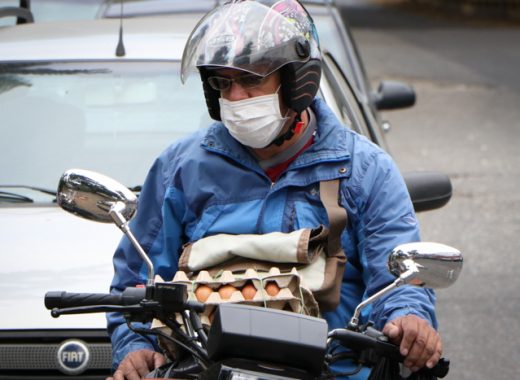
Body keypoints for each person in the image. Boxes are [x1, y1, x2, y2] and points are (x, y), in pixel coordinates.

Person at [107, 1, 442, 379]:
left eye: (252, 79)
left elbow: (399, 279)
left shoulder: (364, 169)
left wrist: (408, 319)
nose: (235, 97)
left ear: (297, 80)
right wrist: (135, 348)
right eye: (222, 82)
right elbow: (134, 284)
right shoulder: (180, 168)